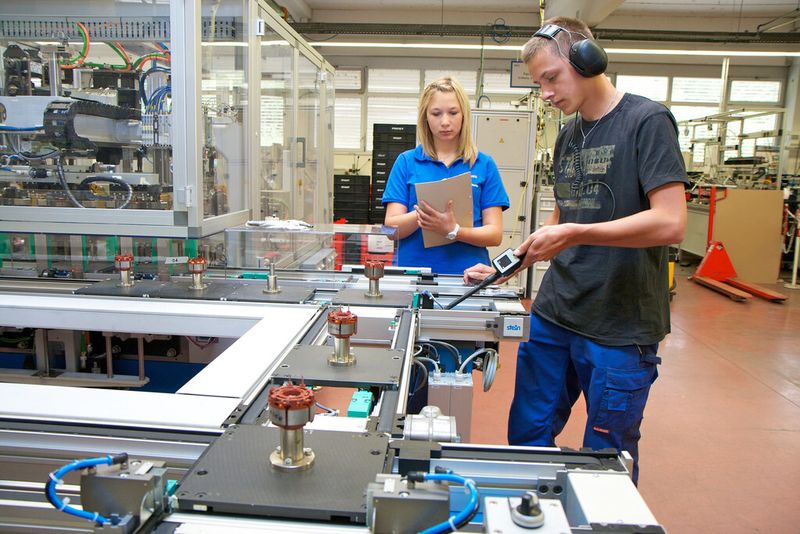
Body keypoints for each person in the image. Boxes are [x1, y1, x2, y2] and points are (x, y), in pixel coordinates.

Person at [464, 17, 688, 483]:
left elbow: (670, 222)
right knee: (527, 435)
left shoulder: (647, 121)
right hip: (555, 312)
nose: (545, 92)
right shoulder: (568, 135)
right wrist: (509, 265)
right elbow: (562, 217)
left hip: (619, 323)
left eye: (551, 77)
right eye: (537, 82)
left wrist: (576, 234)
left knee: (607, 457)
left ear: (587, 60)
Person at [381, 77, 509, 275]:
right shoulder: (406, 162)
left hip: (469, 276)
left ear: (464, 115)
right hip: (414, 275)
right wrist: (426, 215)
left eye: (453, 112)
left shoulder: (483, 165)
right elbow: (391, 230)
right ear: (425, 117)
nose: (445, 122)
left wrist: (453, 230)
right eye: (436, 113)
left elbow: (494, 234)